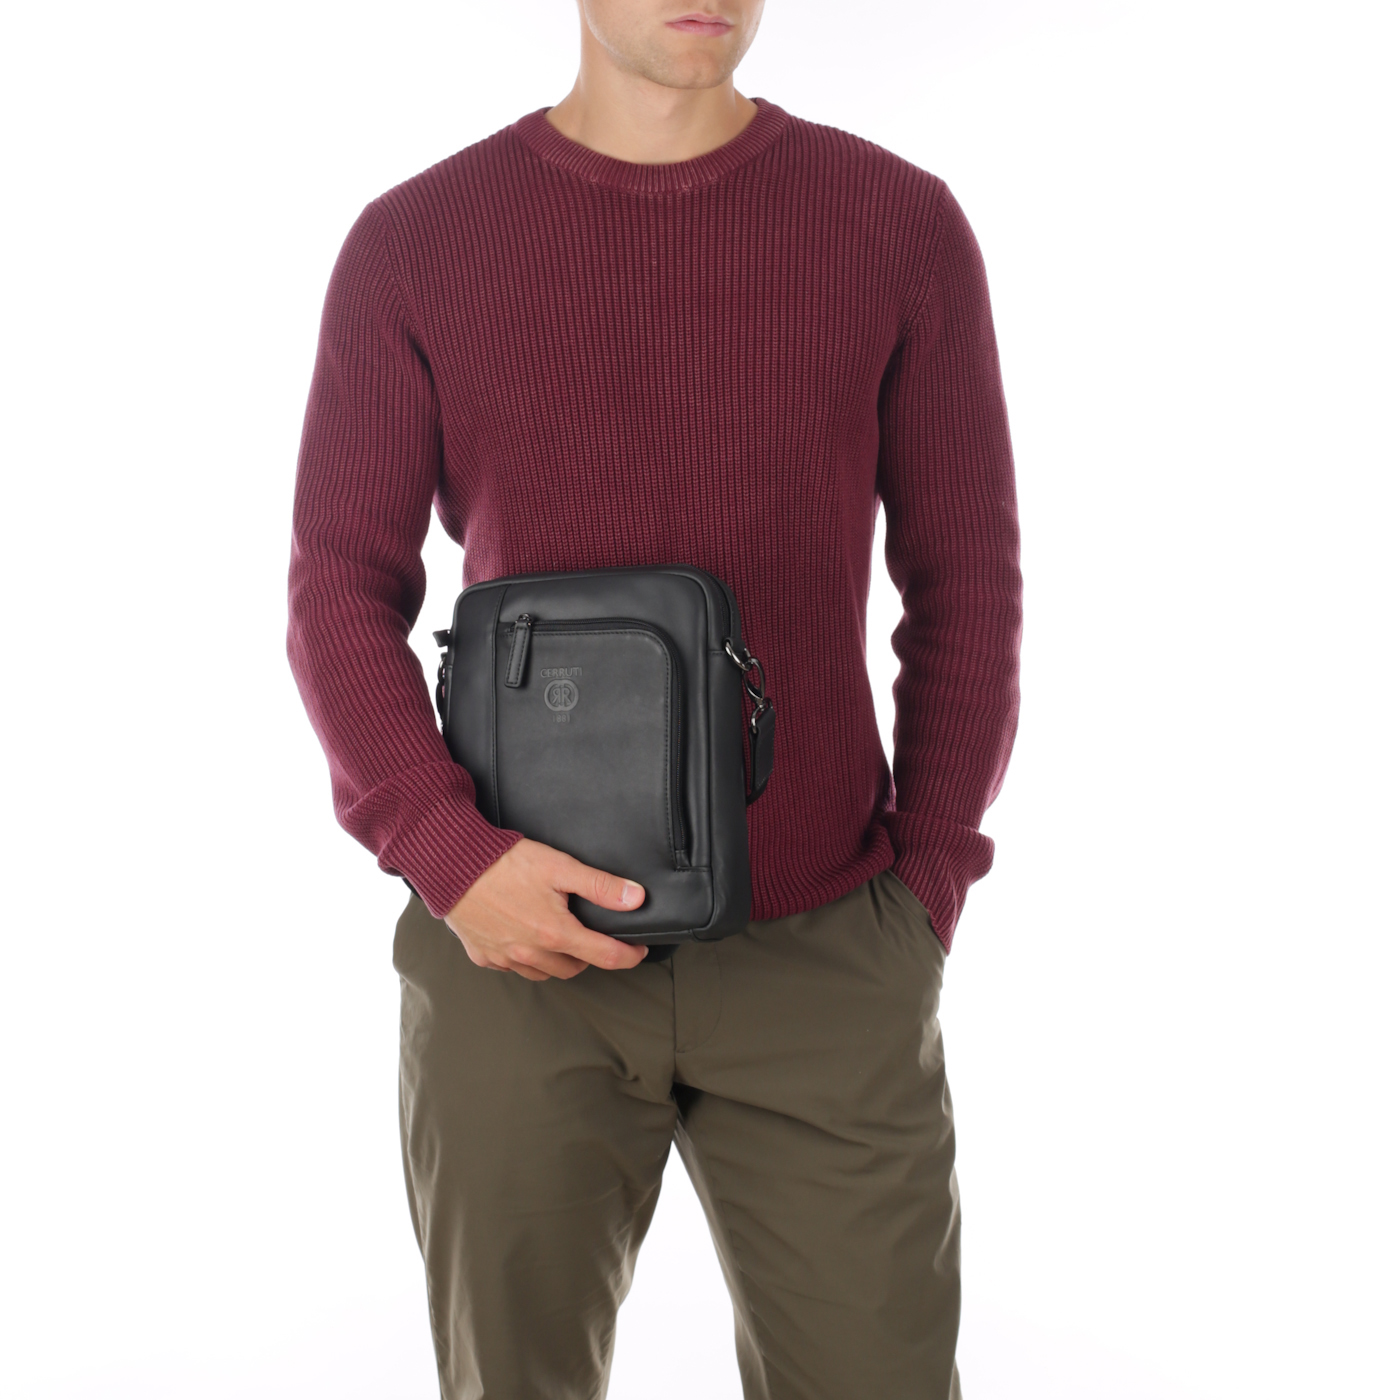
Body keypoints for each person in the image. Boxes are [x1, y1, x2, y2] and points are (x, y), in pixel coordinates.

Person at [286, 2, 1021, 1394]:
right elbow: (338, 585)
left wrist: (924, 884)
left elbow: (965, 578)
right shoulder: (417, 240)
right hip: (515, 948)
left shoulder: (895, 222)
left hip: (825, 947)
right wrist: (449, 856)